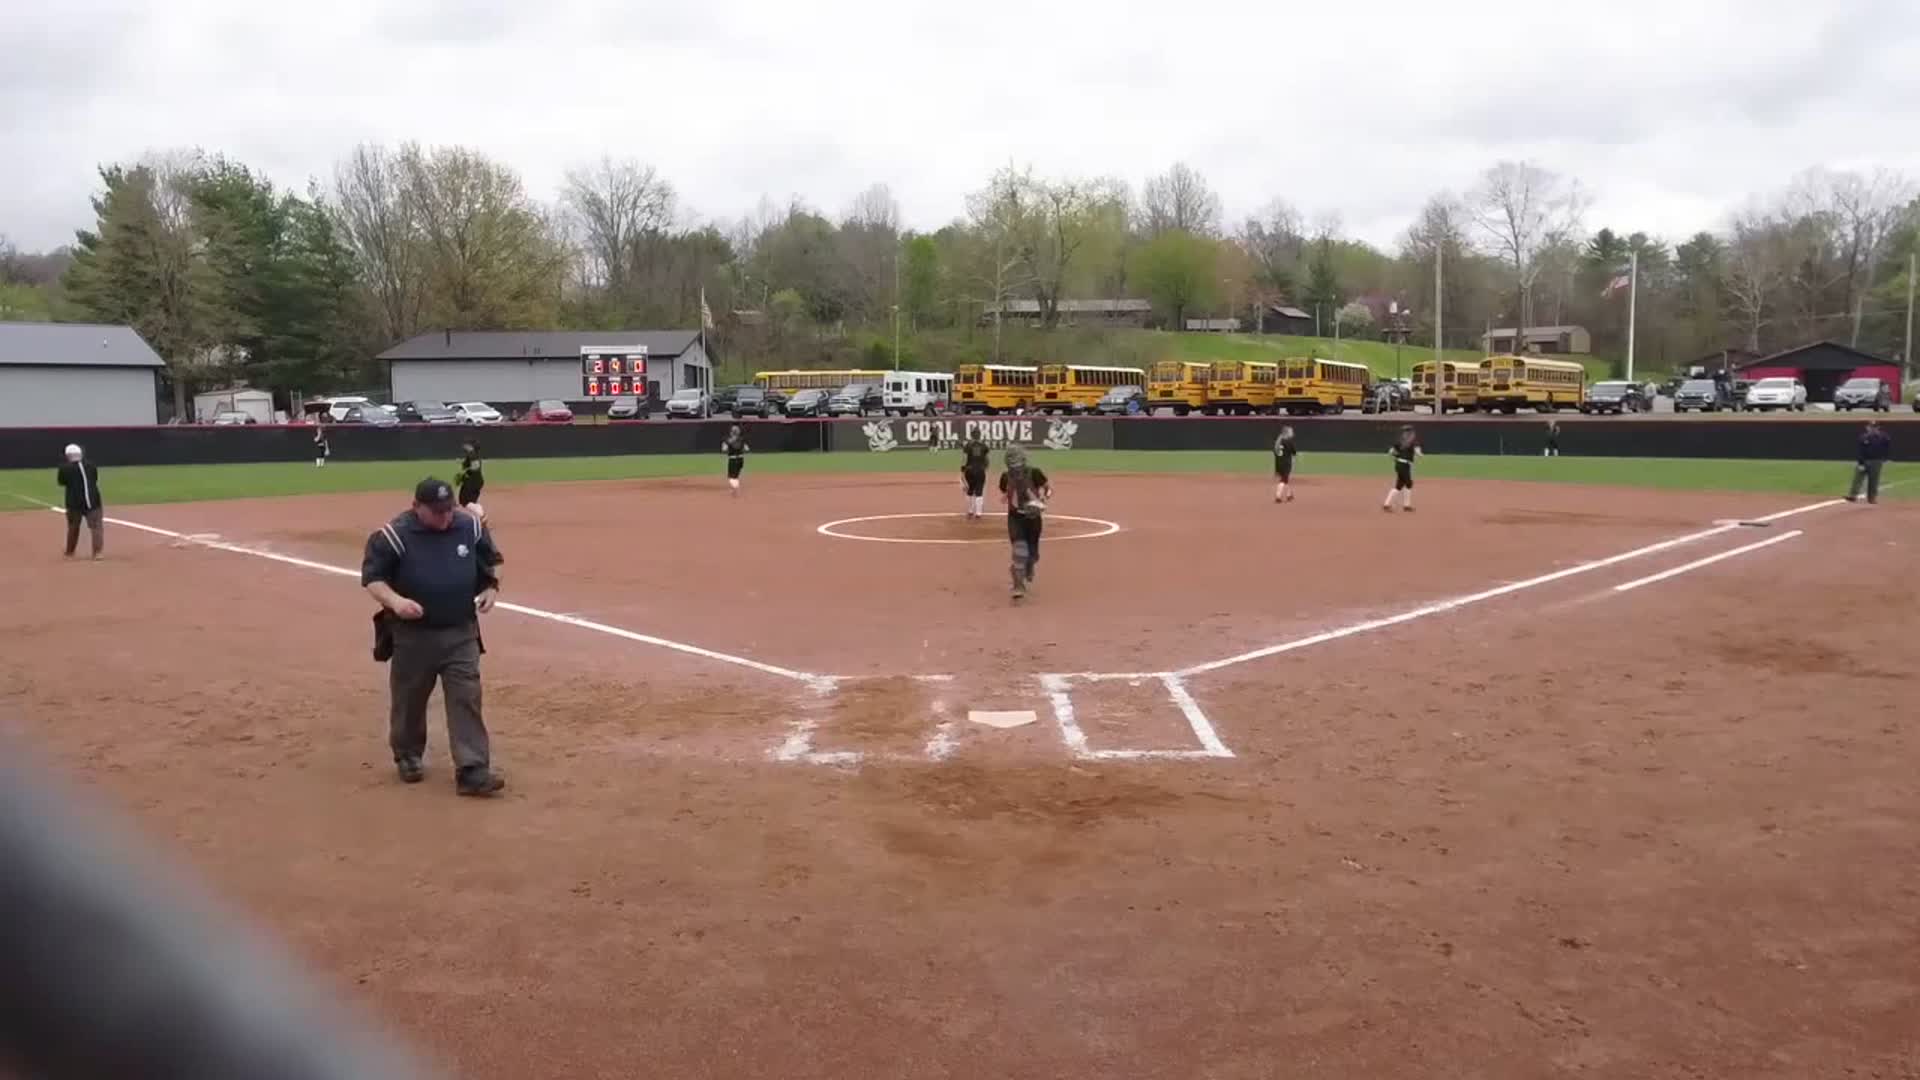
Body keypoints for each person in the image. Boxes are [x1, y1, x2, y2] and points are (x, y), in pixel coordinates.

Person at [361, 478, 505, 797]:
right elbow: (372, 579)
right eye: (436, 512)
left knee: (466, 696)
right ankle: (408, 753)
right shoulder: (394, 536)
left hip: (461, 632)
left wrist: (490, 589)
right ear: (416, 507)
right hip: (414, 636)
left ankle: (472, 769)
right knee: (410, 700)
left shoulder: (470, 527)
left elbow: (489, 566)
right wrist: (396, 602)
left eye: (448, 510)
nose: (445, 518)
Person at [998, 446, 1052, 600]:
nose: (1015, 466)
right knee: (1019, 551)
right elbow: (1004, 490)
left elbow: (1048, 489)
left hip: (1033, 519)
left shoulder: (1034, 473)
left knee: (1033, 555)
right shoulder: (1005, 476)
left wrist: (1042, 499)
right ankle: (1018, 585)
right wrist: (1007, 496)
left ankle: (1029, 565)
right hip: (1015, 518)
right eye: (1011, 461)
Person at [55, 443, 104, 560]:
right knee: (96, 527)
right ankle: (97, 553)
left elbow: (61, 482)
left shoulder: (64, 468)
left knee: (73, 527)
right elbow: (95, 478)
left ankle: (70, 553)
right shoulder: (91, 465)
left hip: (73, 502)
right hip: (93, 501)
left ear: (68, 456)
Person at [1847, 419, 1892, 505]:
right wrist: (1860, 463)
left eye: (1875, 427)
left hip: (1876, 461)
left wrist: (1885, 458)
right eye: (1871, 427)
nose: (1872, 429)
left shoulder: (1884, 437)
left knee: (1874, 480)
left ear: (1878, 428)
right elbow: (1860, 451)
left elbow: (1887, 448)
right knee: (1857, 478)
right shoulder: (1863, 437)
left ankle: (1872, 498)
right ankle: (1852, 495)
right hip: (1865, 460)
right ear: (1867, 428)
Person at [1383, 425, 1422, 513]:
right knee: (1408, 483)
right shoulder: (1413, 442)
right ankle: (1406, 506)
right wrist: (1420, 455)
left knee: (1400, 485)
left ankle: (1388, 504)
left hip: (1399, 464)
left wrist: (1395, 457)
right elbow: (1418, 453)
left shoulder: (1400, 441)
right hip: (1405, 465)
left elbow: (1390, 452)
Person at [959, 433, 991, 519]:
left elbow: (965, 459)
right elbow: (987, 459)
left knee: (970, 490)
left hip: (969, 470)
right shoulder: (984, 446)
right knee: (979, 490)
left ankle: (970, 511)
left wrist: (962, 470)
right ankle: (978, 513)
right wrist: (985, 467)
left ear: (972, 435)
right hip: (980, 470)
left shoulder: (968, 445)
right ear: (980, 435)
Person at [455, 438, 485, 522]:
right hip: (474, 481)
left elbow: (475, 468)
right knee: (470, 502)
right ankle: (481, 514)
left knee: (465, 501)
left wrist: (464, 475)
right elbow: (467, 465)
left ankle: (481, 515)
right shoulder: (471, 456)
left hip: (472, 482)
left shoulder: (473, 455)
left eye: (470, 445)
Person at [722, 425, 749, 496]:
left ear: (731, 432)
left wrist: (728, 446)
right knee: (736, 476)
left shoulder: (727, 440)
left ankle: (735, 488)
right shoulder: (741, 439)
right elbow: (747, 449)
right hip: (741, 459)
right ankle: (735, 488)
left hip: (733, 459)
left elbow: (724, 449)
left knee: (731, 477)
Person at [1273, 426, 1298, 503]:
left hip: (1278, 463)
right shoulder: (1289, 441)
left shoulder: (1278, 441)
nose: (1292, 433)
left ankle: (1289, 495)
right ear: (1287, 433)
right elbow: (1294, 452)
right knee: (1283, 480)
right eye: (1291, 432)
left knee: (1285, 479)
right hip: (1286, 463)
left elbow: (1275, 452)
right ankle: (1278, 496)